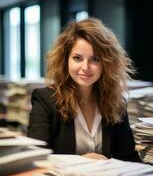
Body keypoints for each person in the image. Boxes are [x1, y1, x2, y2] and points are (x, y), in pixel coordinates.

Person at [27, 17, 140, 162]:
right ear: (65, 60)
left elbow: (129, 158)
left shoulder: (115, 103)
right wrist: (82, 161)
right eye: (77, 58)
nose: (85, 67)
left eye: (95, 59)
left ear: (106, 63)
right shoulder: (45, 100)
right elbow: (35, 159)